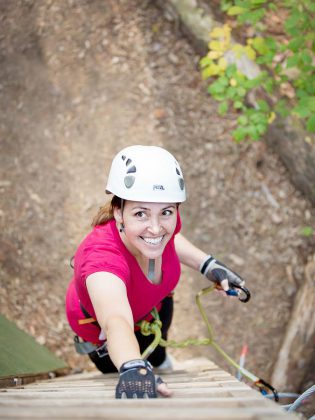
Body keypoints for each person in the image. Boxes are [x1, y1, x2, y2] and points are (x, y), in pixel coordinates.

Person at [65, 145, 245, 399]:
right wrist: (132, 366)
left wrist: (208, 265)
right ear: (118, 211)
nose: (155, 228)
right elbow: (116, 319)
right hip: (104, 333)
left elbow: (172, 238)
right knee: (120, 375)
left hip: (153, 309)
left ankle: (160, 362)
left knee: (159, 355)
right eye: (140, 213)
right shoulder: (101, 259)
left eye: (166, 212)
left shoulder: (159, 225)